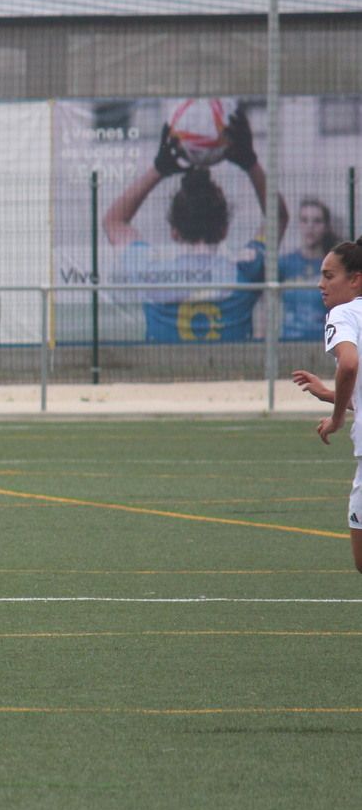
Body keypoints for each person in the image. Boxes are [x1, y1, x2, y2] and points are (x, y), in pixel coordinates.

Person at [103, 107, 287, 342]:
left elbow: (113, 222)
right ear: (224, 230)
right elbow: (278, 217)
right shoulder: (246, 270)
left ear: (174, 233)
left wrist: (159, 168)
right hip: (232, 377)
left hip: (167, 377)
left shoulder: (150, 271)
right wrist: (250, 163)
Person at [292, 239, 362, 572]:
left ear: (356, 280)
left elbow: (348, 364)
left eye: (328, 275)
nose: (321, 284)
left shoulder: (344, 313)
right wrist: (332, 394)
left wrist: (336, 418)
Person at [278, 199, 340, 340]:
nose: (310, 227)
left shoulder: (335, 268)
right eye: (304, 220)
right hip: (287, 343)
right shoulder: (285, 264)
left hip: (322, 344)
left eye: (317, 221)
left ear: (326, 227)